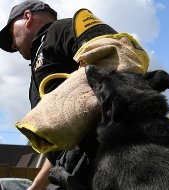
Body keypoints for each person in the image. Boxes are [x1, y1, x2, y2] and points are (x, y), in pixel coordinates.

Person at [0, 0, 117, 189]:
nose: (13, 45)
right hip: (74, 173)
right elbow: (62, 145)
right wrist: (35, 187)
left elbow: (117, 55)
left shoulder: (60, 29)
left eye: (11, 35)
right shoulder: (38, 66)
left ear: (27, 17)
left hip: (106, 163)